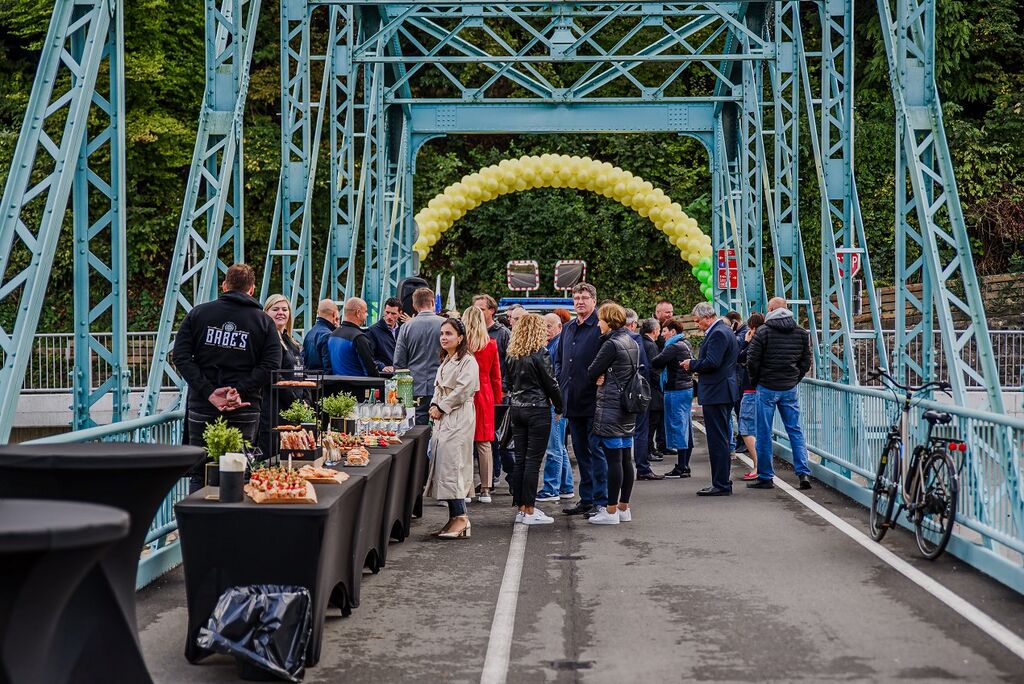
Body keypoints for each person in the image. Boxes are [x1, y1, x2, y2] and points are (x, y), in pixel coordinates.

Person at [172, 263, 281, 492]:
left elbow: (180, 357)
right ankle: (234, 524)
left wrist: (210, 392)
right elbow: (271, 365)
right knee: (239, 469)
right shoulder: (264, 322)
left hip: (203, 405)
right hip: (244, 406)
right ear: (251, 289)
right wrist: (238, 390)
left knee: (201, 471)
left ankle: (198, 524)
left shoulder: (198, 314)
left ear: (224, 285)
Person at [746, 297, 813, 490]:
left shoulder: (764, 332)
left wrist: (756, 380)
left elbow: (752, 359)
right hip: (789, 388)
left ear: (771, 309)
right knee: (795, 430)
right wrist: (794, 379)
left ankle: (766, 476)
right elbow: (805, 362)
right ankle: (803, 473)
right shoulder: (800, 332)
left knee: (764, 432)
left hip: (766, 387)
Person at [585, 302, 640, 525]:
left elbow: (591, 371)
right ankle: (624, 507)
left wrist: (601, 376)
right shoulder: (631, 341)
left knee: (613, 460)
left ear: (608, 321)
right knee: (626, 458)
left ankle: (610, 511)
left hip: (611, 406)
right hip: (627, 406)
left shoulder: (611, 345)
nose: (598, 324)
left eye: (600, 320)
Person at [506, 313, 563, 525]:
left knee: (521, 459)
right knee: (533, 461)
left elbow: (509, 383)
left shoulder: (512, 353)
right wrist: (559, 406)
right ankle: (529, 509)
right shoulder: (541, 353)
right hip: (537, 409)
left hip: (517, 408)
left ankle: (521, 507)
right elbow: (551, 383)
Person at [426, 318, 480, 539]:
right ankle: (453, 517)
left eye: (449, 333)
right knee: (445, 466)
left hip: (457, 417)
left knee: (454, 466)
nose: (444, 337)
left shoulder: (468, 361)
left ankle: (462, 518)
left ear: (460, 337)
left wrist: (441, 406)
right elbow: (439, 389)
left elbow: (463, 390)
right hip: (445, 419)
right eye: (442, 334)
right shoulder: (447, 360)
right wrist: (433, 404)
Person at [557, 282, 608, 517]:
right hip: (572, 400)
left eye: (584, 297)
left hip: (595, 400)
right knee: (579, 452)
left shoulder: (600, 327)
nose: (579, 301)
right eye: (576, 297)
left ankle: (601, 499)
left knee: (597, 451)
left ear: (594, 301)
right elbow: (559, 360)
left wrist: (604, 377)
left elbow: (612, 356)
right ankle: (586, 498)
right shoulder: (568, 328)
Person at [682, 302, 739, 496]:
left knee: (718, 440)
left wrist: (692, 364)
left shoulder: (718, 333)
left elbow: (712, 362)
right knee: (720, 438)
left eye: (698, 321)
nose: (697, 325)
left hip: (717, 391)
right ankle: (720, 481)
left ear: (707, 317)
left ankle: (721, 483)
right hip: (723, 389)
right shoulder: (725, 331)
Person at [257, 294, 307, 457]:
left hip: (294, 413)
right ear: (266, 313)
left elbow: (302, 375)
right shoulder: (267, 344)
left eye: (284, 309)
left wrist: (306, 401)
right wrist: (295, 403)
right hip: (275, 412)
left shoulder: (291, 342)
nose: (281, 313)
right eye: (275, 309)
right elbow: (274, 376)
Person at [462, 305, 502, 503]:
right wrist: (497, 398)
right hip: (485, 394)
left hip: (465, 393)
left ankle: (467, 488)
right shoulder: (491, 344)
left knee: (466, 443)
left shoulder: (461, 345)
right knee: (484, 443)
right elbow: (496, 376)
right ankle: (486, 488)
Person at [474, 293, 512, 489]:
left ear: (492, 311)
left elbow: (508, 363)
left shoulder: (502, 333)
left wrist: (504, 389)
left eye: (481, 309)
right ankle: (491, 477)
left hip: (496, 393)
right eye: (476, 309)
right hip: (478, 394)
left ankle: (502, 475)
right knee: (484, 438)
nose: (478, 313)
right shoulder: (470, 334)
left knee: (497, 437)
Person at [536, 312, 573, 502]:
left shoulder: (558, 345)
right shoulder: (552, 344)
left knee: (554, 447)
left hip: (554, 402)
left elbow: (557, 374)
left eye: (549, 326)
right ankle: (566, 486)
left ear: (559, 327)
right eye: (543, 327)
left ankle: (551, 488)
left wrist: (554, 398)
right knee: (559, 446)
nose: (546, 330)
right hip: (555, 401)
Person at [394, 288, 444, 425]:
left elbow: (399, 362)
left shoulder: (406, 327)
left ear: (414, 305)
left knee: (418, 427)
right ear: (433, 302)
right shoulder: (445, 325)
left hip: (415, 386)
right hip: (441, 385)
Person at [652, 317, 695, 479]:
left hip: (675, 389)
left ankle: (682, 466)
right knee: (685, 427)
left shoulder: (673, 347)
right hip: (686, 388)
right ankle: (684, 464)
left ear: (673, 332)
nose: (662, 335)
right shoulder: (686, 344)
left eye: (664, 331)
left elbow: (656, 362)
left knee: (678, 426)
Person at [624, 308, 662, 481]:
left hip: (612, 393)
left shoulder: (607, 339)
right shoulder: (636, 340)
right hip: (635, 391)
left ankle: (621, 468)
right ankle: (642, 468)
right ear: (632, 324)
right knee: (640, 430)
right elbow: (645, 368)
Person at [737, 313, 765, 481]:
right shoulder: (770, 340)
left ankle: (758, 465)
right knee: (761, 429)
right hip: (765, 389)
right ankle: (762, 465)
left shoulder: (755, 342)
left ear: (753, 328)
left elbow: (740, 357)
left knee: (746, 428)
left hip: (750, 390)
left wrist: (746, 342)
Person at [327, 297, 379, 377]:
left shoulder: (333, 335)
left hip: (336, 386)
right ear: (358, 313)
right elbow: (371, 370)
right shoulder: (359, 337)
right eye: (365, 311)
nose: (367, 314)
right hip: (357, 386)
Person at [640, 318, 666, 463]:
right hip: (652, 390)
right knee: (652, 423)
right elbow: (653, 368)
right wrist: (658, 385)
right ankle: (649, 450)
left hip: (645, 387)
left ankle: (650, 449)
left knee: (648, 424)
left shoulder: (642, 342)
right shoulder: (651, 345)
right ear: (655, 330)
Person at [727, 310, 748, 453]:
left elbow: (735, 350)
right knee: (739, 409)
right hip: (737, 375)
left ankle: (743, 441)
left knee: (740, 410)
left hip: (739, 376)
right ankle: (742, 440)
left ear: (734, 323)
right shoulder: (742, 333)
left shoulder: (743, 334)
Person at [366, 296, 402, 372]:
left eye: (393, 314)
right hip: (384, 375)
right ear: (383, 311)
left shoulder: (404, 330)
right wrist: (382, 366)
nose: (389, 316)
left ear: (400, 314)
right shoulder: (372, 331)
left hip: (402, 375)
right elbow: (368, 356)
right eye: (387, 312)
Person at [302, 298, 338, 371]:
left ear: (318, 312)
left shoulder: (310, 333)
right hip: (322, 379)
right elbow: (328, 367)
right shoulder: (328, 335)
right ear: (334, 314)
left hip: (310, 378)